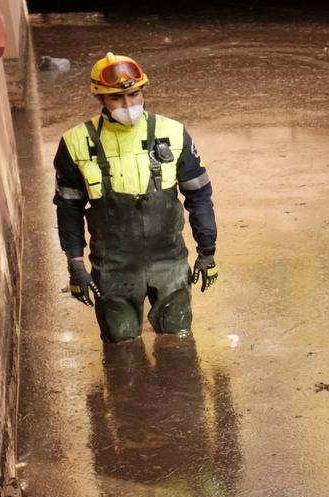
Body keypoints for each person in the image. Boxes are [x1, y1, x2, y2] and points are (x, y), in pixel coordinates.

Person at [53, 54, 218, 343]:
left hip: (170, 262)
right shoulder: (76, 143)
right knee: (121, 344)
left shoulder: (173, 133)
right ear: (100, 98)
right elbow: (68, 208)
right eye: (117, 98)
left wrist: (207, 251)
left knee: (178, 340)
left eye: (134, 94)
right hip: (113, 267)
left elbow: (199, 196)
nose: (129, 105)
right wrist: (75, 263)